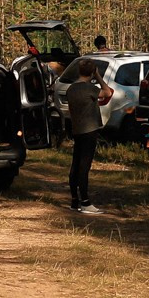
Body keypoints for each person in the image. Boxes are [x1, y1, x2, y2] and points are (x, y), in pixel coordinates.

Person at [62, 56, 109, 215]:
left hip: (77, 129)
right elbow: (107, 92)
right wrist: (98, 77)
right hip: (90, 130)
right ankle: (86, 202)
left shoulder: (71, 89)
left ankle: (74, 200)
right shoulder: (90, 89)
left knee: (75, 165)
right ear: (92, 72)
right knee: (84, 167)